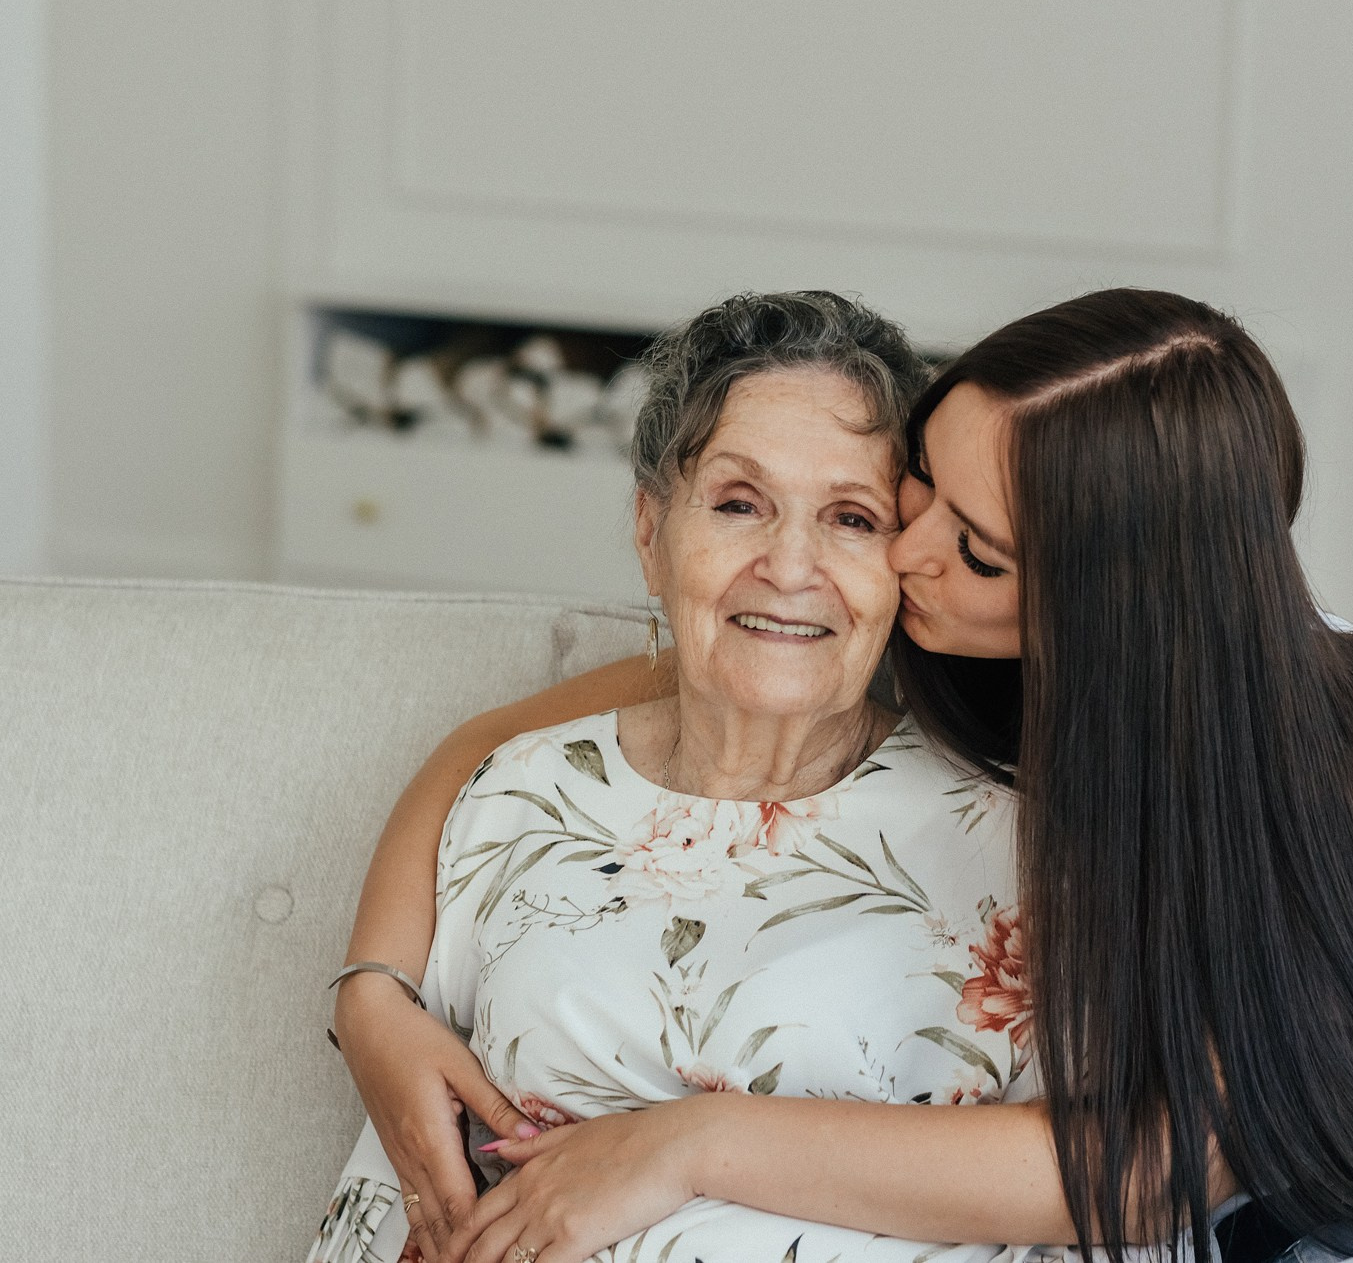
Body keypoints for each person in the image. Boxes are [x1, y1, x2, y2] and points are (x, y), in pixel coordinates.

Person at [336, 290, 1353, 1263]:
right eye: (918, 500)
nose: (899, 559)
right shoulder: (961, 646)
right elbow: (492, 740)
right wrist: (375, 995)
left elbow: (1154, 1164)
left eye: (973, 546)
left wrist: (692, 1141)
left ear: (1108, 597)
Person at [313, 293, 1050, 1263]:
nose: (790, 565)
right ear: (650, 529)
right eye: (739, 504)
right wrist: (368, 996)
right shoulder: (521, 794)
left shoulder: (1015, 845)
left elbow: (1106, 1187)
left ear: (905, 563)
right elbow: (402, 1176)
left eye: (851, 517)